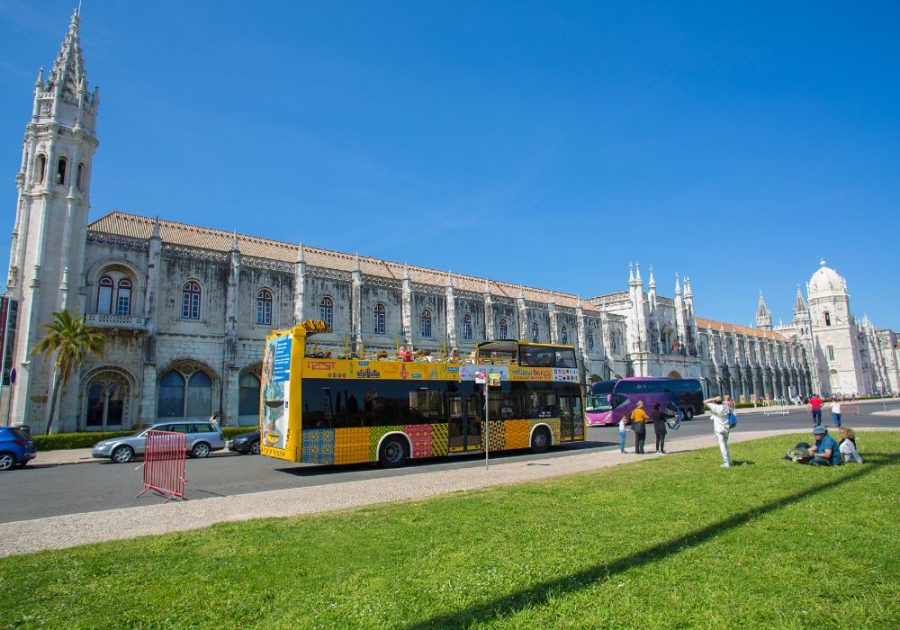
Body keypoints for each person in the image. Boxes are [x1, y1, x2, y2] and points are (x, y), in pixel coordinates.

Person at [703, 395, 732, 467]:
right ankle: (729, 461)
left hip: (719, 429)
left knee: (722, 445)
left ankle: (726, 462)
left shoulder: (714, 407)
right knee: (725, 445)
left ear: (715, 401)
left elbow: (704, 402)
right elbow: (730, 414)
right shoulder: (726, 407)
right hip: (726, 428)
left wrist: (713, 399)